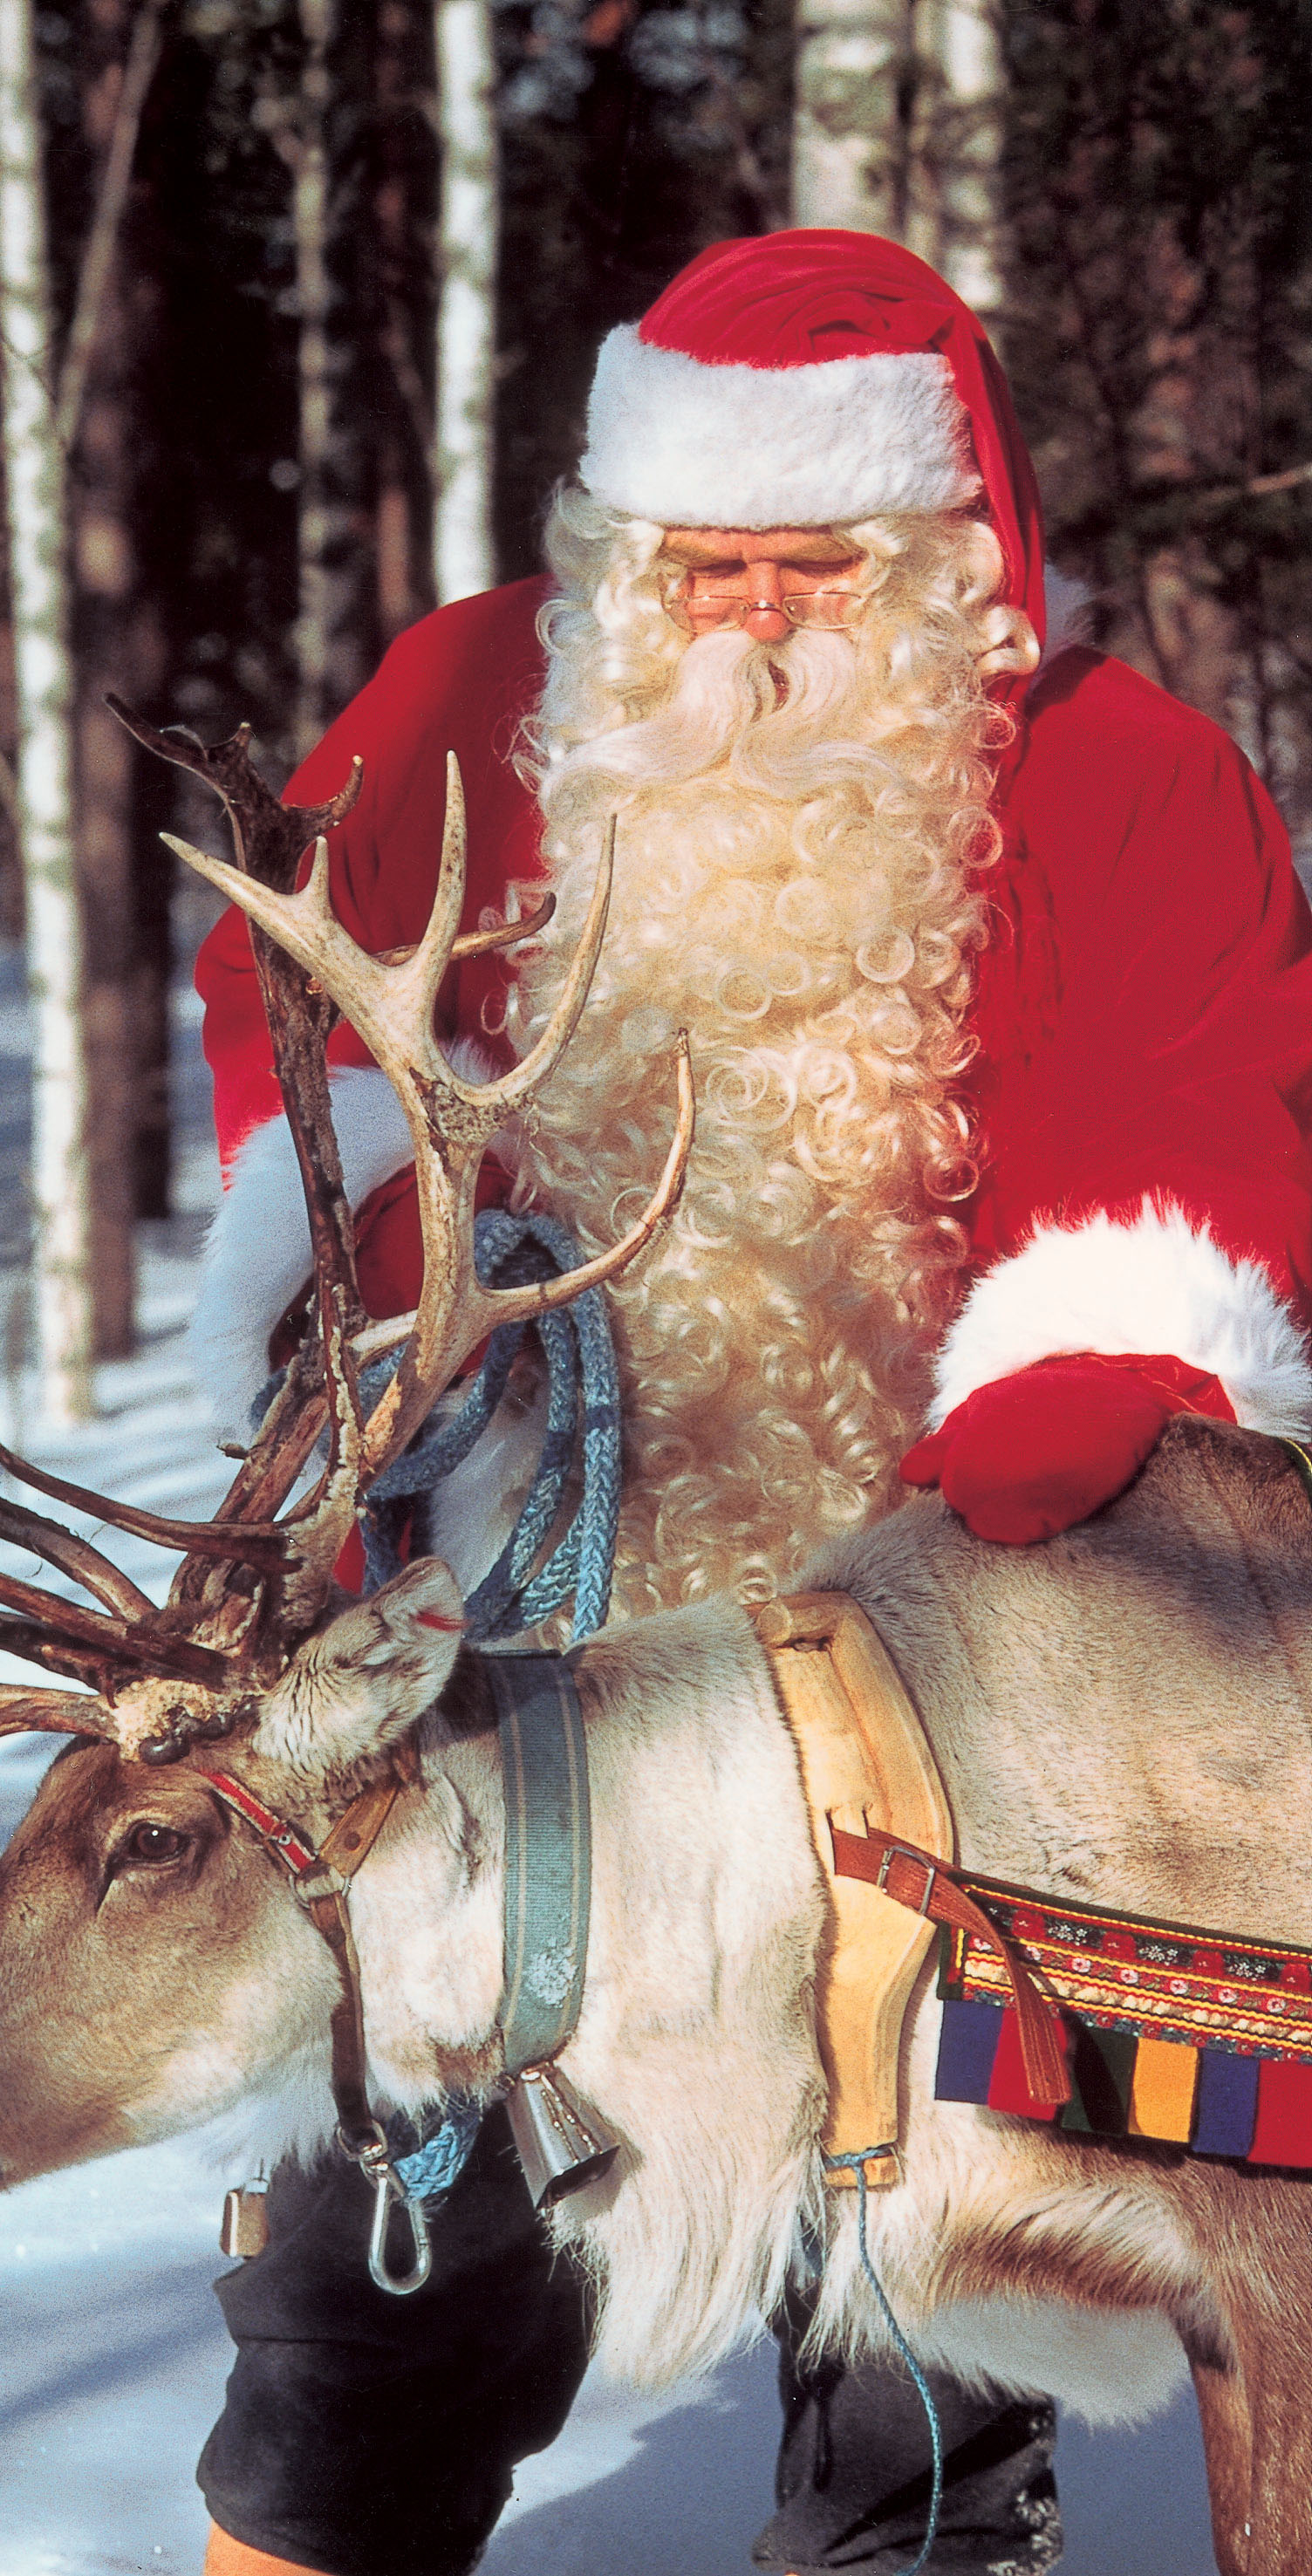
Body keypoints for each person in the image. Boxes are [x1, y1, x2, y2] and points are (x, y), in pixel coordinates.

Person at [187, 232, 1312, 2576]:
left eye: (820, 563)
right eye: (705, 565)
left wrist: (1104, 1357)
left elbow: (1226, 1099)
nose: (752, 624)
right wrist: (379, 1247)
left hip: (937, 1651)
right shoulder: (480, 692)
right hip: (518, 1600)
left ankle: (915, 2491)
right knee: (378, 2241)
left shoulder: (1122, 778)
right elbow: (281, 983)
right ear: (629, 557)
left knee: (920, 2264)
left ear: (946, 568)